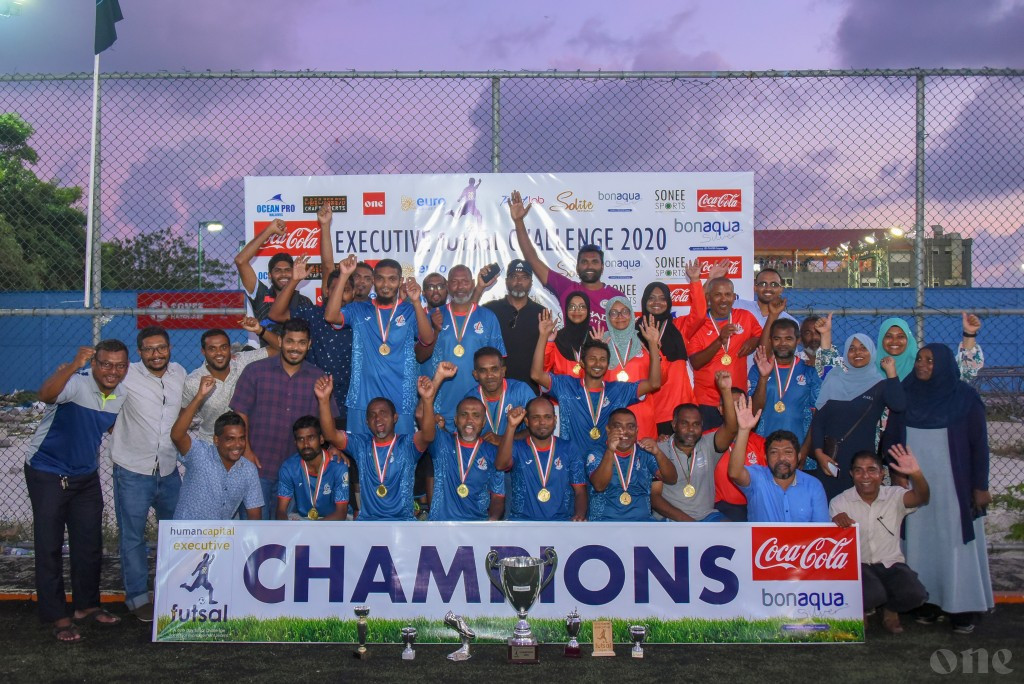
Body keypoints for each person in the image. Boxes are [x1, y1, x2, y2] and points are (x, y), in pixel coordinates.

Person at [883, 344, 994, 634]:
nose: (922, 365)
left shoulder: (965, 398)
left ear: (943, 364)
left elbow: (979, 446)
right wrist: (896, 473)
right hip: (915, 483)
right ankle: (927, 602)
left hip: (954, 486)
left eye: (930, 361)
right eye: (919, 359)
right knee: (920, 542)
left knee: (955, 543)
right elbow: (892, 437)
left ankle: (962, 608)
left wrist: (980, 486)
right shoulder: (905, 394)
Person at [25, 342, 129, 642]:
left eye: (120, 366)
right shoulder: (76, 383)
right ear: (94, 364)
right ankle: (57, 615)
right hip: (47, 471)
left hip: (85, 476)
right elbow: (45, 395)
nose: (113, 371)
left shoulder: (120, 394)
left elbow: (107, 428)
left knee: (89, 544)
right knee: (49, 546)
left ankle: (86, 606)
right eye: (106, 364)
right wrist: (72, 365)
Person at [109, 325, 186, 622]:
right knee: (133, 537)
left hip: (168, 470)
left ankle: (174, 592)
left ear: (169, 348)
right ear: (140, 352)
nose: (157, 354)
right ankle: (138, 598)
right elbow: (100, 400)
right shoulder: (126, 375)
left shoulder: (179, 373)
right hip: (132, 470)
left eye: (162, 348)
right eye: (150, 349)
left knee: (176, 534)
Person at [230, 318, 337, 518]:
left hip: (298, 473)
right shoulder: (255, 371)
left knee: (287, 538)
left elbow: (327, 424)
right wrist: (246, 450)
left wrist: (333, 448)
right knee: (253, 535)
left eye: (301, 342)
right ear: (280, 341)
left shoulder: (319, 378)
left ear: (309, 344)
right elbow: (240, 413)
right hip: (257, 467)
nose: (295, 348)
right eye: (290, 341)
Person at [324, 254, 434, 435]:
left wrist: (415, 302)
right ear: (374, 281)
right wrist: (344, 275)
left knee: (400, 457)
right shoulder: (358, 309)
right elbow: (330, 316)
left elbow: (428, 339)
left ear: (399, 282)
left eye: (392, 279)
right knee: (362, 456)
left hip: (401, 400)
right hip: (362, 399)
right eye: (381, 279)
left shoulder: (409, 311)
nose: (385, 285)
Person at [830, 446, 930, 634]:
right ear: (851, 474)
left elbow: (921, 497)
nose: (865, 476)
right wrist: (836, 520)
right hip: (858, 566)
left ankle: (890, 611)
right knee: (873, 594)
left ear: (882, 473)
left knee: (916, 595)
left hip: (891, 563)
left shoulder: (895, 495)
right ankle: (861, 610)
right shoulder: (840, 502)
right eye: (858, 471)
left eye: (871, 470)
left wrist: (916, 473)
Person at [531, 309, 663, 450]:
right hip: (572, 463)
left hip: (606, 464)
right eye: (592, 359)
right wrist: (543, 336)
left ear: (607, 364)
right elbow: (536, 375)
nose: (597, 364)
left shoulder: (618, 390)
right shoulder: (566, 385)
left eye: (603, 359)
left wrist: (653, 345)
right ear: (582, 363)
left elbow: (654, 383)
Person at [316, 372, 438, 521]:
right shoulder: (361, 444)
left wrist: (427, 400)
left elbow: (428, 435)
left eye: (383, 413)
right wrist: (323, 400)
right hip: (368, 522)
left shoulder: (407, 444)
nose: (377, 418)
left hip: (402, 522)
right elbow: (330, 435)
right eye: (372, 415)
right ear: (367, 422)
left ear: (395, 418)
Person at [509, 189, 623, 327]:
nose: (589, 266)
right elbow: (532, 259)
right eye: (584, 262)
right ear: (577, 267)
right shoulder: (567, 289)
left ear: (602, 266)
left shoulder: (616, 296)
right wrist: (519, 222)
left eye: (594, 262)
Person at [810, 334, 904, 501]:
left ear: (871, 352)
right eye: (852, 349)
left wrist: (891, 373)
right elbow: (819, 421)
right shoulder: (834, 379)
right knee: (829, 511)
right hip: (831, 461)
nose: (857, 353)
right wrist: (819, 453)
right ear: (846, 353)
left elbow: (898, 405)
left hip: (862, 466)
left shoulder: (879, 384)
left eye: (863, 348)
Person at [269, 253, 355, 424]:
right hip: (314, 399)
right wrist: (294, 280)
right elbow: (275, 314)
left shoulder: (360, 317)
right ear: (327, 291)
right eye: (336, 289)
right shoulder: (313, 314)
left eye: (345, 290)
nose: (340, 295)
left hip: (351, 404)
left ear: (353, 293)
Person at [422, 264, 506, 425]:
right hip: (440, 406)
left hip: (477, 407)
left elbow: (499, 363)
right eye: (454, 281)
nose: (460, 287)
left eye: (465, 281)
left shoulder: (488, 317)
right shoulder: (433, 316)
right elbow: (419, 357)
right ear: (447, 286)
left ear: (473, 284)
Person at [686, 276, 775, 429]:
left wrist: (753, 341)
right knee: (711, 448)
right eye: (718, 294)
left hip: (738, 400)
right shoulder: (698, 323)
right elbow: (696, 362)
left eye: (728, 295)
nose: (723, 299)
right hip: (708, 401)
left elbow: (763, 343)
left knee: (739, 447)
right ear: (708, 297)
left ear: (734, 297)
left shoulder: (745, 317)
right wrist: (720, 339)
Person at [170, 378, 263, 521]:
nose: (237, 445)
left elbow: (254, 514)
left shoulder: (248, 470)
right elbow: (177, 435)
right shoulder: (200, 455)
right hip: (186, 537)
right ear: (216, 440)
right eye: (230, 439)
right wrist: (199, 397)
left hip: (221, 541)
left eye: (241, 438)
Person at [728, 395, 830, 523]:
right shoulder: (757, 479)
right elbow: (734, 473)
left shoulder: (813, 486)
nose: (781, 458)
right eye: (774, 453)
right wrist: (743, 430)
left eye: (788, 452)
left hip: (801, 543)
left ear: (798, 456)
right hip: (762, 543)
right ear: (765, 457)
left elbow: (821, 532)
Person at [653, 372, 737, 522]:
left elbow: (731, 428)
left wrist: (725, 391)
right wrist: (690, 525)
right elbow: (655, 498)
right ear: (674, 425)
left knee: (732, 533)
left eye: (696, 424)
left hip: (706, 517)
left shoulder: (708, 445)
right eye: (685, 424)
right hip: (669, 520)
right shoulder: (659, 449)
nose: (691, 429)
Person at [635, 269, 707, 435]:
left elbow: (700, 314)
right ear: (644, 301)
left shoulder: (679, 327)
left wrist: (695, 280)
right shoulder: (634, 331)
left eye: (662, 298)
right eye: (651, 298)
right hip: (651, 407)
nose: (656, 302)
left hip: (680, 406)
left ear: (668, 301)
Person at [180, 321, 276, 444]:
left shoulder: (243, 361)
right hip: (211, 445)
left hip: (247, 443)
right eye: (212, 349)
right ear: (203, 351)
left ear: (230, 349)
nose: (219, 353)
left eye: (223, 347)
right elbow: (182, 422)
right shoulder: (193, 381)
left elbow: (280, 349)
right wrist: (199, 396)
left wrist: (260, 330)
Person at [814, 312, 984, 381]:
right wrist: (825, 334)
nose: (894, 341)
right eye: (888, 336)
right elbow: (830, 369)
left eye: (900, 336)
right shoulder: (869, 366)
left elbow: (962, 373)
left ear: (909, 339)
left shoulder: (922, 366)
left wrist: (969, 334)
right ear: (880, 339)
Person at [496, 398, 588, 521]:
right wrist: (511, 426)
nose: (542, 422)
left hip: (560, 523)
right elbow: (500, 465)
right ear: (527, 421)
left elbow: (580, 491)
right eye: (536, 417)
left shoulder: (569, 448)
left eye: (547, 417)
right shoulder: (517, 448)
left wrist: (580, 515)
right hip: (522, 524)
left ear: (555, 420)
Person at [749, 319, 821, 467]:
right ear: (770, 340)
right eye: (777, 339)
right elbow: (753, 411)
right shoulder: (757, 369)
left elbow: (817, 416)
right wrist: (763, 377)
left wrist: (805, 450)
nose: (782, 344)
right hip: (763, 449)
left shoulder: (809, 371)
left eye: (788, 339)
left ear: (798, 340)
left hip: (799, 448)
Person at [587, 408, 678, 521]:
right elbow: (599, 486)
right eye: (618, 426)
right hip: (605, 523)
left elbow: (672, 479)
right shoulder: (597, 453)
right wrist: (610, 450)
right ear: (608, 429)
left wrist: (658, 453)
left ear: (637, 430)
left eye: (630, 427)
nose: (625, 431)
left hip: (642, 522)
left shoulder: (645, 452)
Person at [234, 218, 313, 343]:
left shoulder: (304, 302)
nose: (283, 274)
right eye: (277, 270)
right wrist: (269, 230)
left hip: (297, 358)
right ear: (269, 275)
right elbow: (240, 261)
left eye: (287, 270)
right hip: (267, 359)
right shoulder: (261, 294)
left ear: (294, 272)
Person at [428, 396, 505, 521]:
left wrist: (491, 522)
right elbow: (421, 415)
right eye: (464, 415)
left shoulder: (493, 452)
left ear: (483, 422)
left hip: (476, 527)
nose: (470, 420)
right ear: (456, 420)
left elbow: (498, 495)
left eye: (476, 415)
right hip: (441, 525)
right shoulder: (441, 443)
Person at [602, 297, 660, 440]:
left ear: (632, 314)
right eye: (614, 313)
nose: (620, 316)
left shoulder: (645, 342)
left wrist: (654, 346)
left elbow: (660, 380)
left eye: (625, 311)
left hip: (641, 415)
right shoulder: (601, 343)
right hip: (611, 414)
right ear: (608, 317)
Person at [483, 259, 546, 392]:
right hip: (495, 389)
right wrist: (479, 288)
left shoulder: (542, 313)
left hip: (530, 390)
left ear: (531, 283)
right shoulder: (490, 309)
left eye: (524, 277)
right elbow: (468, 317)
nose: (519, 282)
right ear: (506, 281)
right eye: (514, 277)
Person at [276, 416, 349, 521]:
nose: (306, 444)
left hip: (333, 521)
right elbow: (281, 510)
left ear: (321, 439)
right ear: (295, 442)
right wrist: (286, 528)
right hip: (302, 520)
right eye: (300, 439)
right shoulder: (289, 467)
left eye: (311, 438)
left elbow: (341, 513)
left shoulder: (337, 466)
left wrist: (312, 531)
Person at [459, 347, 536, 441]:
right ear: (475, 375)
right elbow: (464, 437)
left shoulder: (521, 391)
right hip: (483, 452)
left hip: (515, 451)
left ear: (503, 371)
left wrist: (501, 440)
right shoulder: (470, 399)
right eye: (483, 371)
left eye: (494, 369)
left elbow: (537, 429)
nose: (489, 376)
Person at [713, 388, 768, 522]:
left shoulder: (761, 443)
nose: (737, 410)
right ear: (720, 409)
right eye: (731, 406)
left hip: (756, 506)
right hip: (721, 509)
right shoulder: (707, 439)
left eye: (740, 405)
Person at [544, 291, 590, 379]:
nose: (577, 310)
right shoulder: (557, 337)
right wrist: (549, 342)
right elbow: (544, 369)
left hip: (588, 391)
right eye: (572, 307)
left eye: (582, 306)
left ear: (588, 310)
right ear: (566, 310)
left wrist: (599, 346)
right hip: (562, 390)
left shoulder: (595, 336)